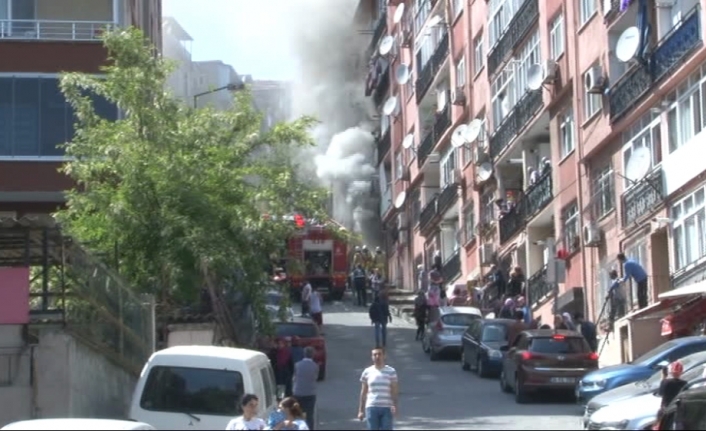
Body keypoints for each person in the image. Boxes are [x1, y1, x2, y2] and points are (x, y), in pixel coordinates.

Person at [358, 347, 398, 431]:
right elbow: (363, 392)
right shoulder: (367, 372)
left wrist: (395, 405)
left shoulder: (391, 371)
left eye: (379, 354)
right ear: (372, 357)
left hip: (387, 407)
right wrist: (360, 410)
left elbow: (394, 390)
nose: (377, 356)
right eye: (374, 354)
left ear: (384, 356)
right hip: (372, 407)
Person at [293, 346, 319, 430]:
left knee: (297, 414)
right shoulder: (315, 366)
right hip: (310, 393)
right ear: (313, 355)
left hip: (298, 393)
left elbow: (295, 377)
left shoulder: (297, 365)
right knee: (309, 415)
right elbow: (315, 378)